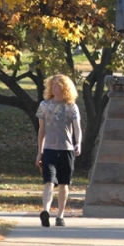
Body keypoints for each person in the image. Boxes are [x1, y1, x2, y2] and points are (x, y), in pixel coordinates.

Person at [35, 74, 82, 227]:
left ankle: (60, 215)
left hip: (66, 150)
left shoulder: (71, 106)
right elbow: (41, 131)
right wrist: (39, 152)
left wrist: (78, 143)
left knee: (64, 183)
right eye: (52, 85)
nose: (53, 88)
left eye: (57, 85)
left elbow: (77, 128)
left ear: (64, 88)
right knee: (49, 181)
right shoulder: (44, 105)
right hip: (49, 149)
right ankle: (46, 211)